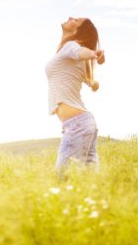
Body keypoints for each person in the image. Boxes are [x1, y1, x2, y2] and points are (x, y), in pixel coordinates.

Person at [45, 17, 105, 179]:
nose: (71, 17)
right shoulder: (66, 53)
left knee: (62, 180)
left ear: (77, 31)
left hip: (77, 126)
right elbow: (89, 79)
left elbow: (81, 53)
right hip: (82, 123)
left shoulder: (71, 47)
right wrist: (93, 83)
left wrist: (94, 54)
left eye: (76, 21)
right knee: (88, 183)